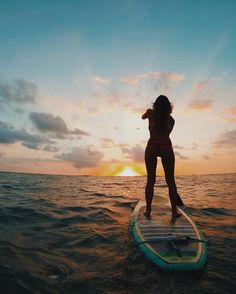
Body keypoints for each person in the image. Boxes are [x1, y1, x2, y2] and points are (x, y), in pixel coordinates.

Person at [142, 95, 184, 219]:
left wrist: (148, 113)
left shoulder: (150, 113)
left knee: (150, 180)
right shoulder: (171, 120)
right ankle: (174, 211)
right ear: (168, 107)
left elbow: (142, 117)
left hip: (152, 145)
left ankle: (148, 210)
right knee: (170, 181)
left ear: (155, 105)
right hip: (166, 145)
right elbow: (167, 133)